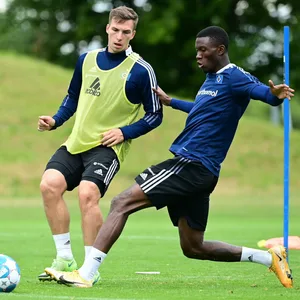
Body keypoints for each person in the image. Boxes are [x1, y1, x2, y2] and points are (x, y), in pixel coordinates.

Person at [45, 26, 294, 288]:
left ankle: (86, 273)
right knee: (194, 247)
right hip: (203, 172)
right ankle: (268, 258)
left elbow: (264, 94)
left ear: (220, 50)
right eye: (197, 50)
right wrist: (171, 101)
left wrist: (275, 96)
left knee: (121, 203)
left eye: (203, 50)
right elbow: (201, 108)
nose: (198, 56)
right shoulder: (212, 78)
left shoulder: (235, 77)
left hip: (191, 163)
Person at [37, 5, 162, 283]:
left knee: (87, 193)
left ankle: (88, 270)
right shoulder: (87, 59)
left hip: (107, 147)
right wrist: (55, 121)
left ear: (133, 34)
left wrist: (125, 131)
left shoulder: (141, 70)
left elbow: (155, 115)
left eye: (126, 32)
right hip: (76, 143)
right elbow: (72, 97)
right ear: (107, 28)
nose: (119, 36)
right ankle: (64, 258)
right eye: (115, 30)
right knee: (49, 185)